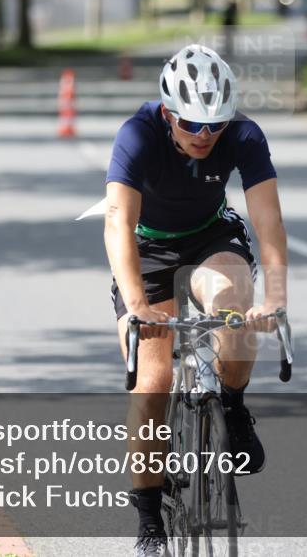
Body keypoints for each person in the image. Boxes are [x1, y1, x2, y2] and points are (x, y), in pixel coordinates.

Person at [104, 44, 288, 557]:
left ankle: (231, 403)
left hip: (210, 236)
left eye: (216, 125)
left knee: (235, 305)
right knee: (154, 380)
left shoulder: (244, 136)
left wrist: (274, 295)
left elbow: (267, 218)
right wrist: (137, 302)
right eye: (192, 124)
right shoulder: (137, 135)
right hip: (146, 247)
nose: (204, 135)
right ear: (168, 113)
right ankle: (148, 523)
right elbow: (117, 220)